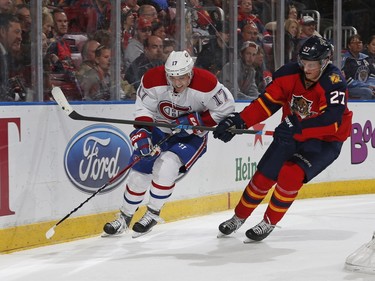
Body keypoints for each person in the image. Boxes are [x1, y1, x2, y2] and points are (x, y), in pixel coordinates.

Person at [213, 36, 353, 242]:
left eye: (312, 64)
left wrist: (298, 127)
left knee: (291, 173)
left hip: (325, 141)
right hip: (292, 133)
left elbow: (332, 121)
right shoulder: (289, 73)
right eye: (303, 63)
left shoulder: (334, 82)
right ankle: (239, 216)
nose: (306, 69)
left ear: (325, 62)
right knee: (263, 176)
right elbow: (266, 103)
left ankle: (269, 221)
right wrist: (240, 121)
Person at [103, 50, 235, 237]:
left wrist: (197, 120)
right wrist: (142, 131)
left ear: (191, 72)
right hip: (159, 127)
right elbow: (144, 108)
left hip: (191, 135)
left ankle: (153, 213)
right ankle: (124, 217)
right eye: (172, 78)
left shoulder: (207, 83)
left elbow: (226, 108)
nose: (177, 83)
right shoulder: (152, 79)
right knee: (139, 172)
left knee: (166, 167)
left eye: (182, 77)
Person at [341, 34, 375, 100]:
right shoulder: (345, 60)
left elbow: (372, 75)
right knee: (367, 92)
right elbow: (346, 80)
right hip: (350, 88)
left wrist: (372, 86)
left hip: (366, 87)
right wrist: (367, 86)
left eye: (359, 42)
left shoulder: (366, 58)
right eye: (354, 43)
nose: (358, 44)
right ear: (349, 46)